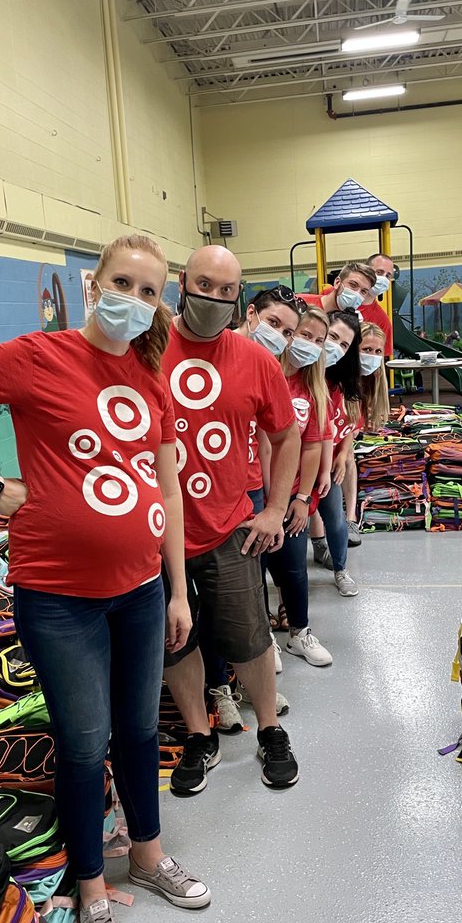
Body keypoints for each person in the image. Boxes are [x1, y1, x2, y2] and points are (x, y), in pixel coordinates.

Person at [0, 234, 208, 923]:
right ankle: (93, 890)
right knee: (82, 741)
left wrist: (176, 586)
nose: (132, 298)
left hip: (139, 589)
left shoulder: (148, 370)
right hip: (57, 597)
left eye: (147, 289)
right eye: (121, 281)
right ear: (92, 282)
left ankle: (149, 855)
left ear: (159, 301)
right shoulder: (38, 357)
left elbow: (166, 486)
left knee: (137, 732)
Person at [163, 246, 302, 795]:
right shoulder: (144, 350)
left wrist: (274, 507)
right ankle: (200, 734)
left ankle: (269, 727)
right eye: (204, 285)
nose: (214, 298)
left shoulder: (255, 360)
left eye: (227, 290)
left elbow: (286, 434)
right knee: (177, 640)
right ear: (182, 283)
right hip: (156, 532)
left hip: (228, 527)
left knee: (249, 636)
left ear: (239, 295)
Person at [206, 285, 302, 736]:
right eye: (274, 324)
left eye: (288, 331)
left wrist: (273, 503)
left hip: (247, 496)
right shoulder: (203, 357)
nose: (279, 335)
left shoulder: (265, 368)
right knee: (199, 609)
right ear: (249, 313)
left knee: (245, 603)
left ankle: (248, 688)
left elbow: (275, 437)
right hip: (191, 504)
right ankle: (218, 688)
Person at [264, 306, 334, 666]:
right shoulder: (263, 373)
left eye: (318, 341)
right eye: (305, 335)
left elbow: (311, 446)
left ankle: (299, 633)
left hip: (290, 492)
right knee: (252, 572)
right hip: (252, 493)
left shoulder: (313, 388)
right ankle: (263, 640)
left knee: (293, 567)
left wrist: (304, 498)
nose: (310, 344)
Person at [311, 309, 361, 595]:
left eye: (344, 345)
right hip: (296, 468)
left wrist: (341, 456)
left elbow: (344, 427)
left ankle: (341, 570)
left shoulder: (339, 384)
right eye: (333, 337)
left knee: (335, 518)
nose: (335, 347)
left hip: (326, 467)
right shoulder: (298, 373)